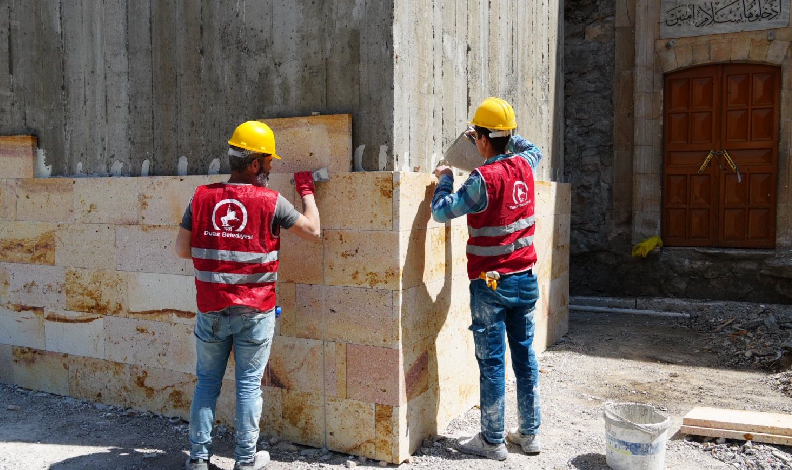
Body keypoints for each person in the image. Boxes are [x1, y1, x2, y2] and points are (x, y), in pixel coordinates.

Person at [174, 121, 321, 470]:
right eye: (268, 162)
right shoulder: (271, 202)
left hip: (211, 309)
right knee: (248, 386)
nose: (271, 168)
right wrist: (308, 192)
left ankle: (198, 459)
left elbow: (182, 249)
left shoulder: (201, 196)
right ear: (254, 164)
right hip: (254, 313)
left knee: (207, 383)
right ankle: (244, 461)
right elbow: (314, 231)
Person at [430, 97, 543, 461]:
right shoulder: (527, 163)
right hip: (525, 279)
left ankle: (492, 441)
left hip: (491, 285)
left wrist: (445, 180)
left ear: (480, 139)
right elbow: (531, 147)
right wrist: (504, 133)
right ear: (509, 136)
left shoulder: (482, 179)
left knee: (493, 362)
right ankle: (529, 434)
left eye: (478, 137)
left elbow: (441, 212)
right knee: (525, 357)